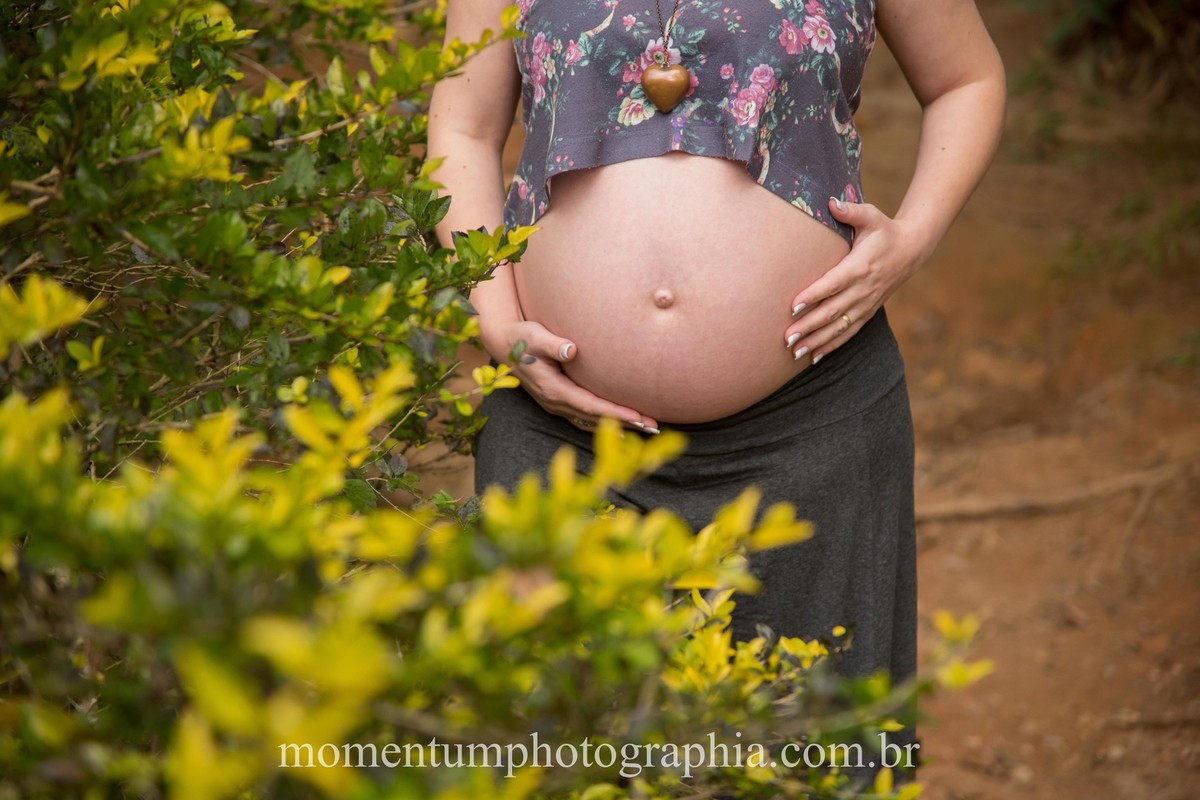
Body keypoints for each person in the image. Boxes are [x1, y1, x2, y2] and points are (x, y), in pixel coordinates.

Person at [428, 0, 1004, 776]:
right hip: (556, 428)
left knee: (810, 762)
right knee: (559, 758)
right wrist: (494, 317)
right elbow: (462, 126)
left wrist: (913, 237)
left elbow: (967, 78)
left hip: (812, 428)